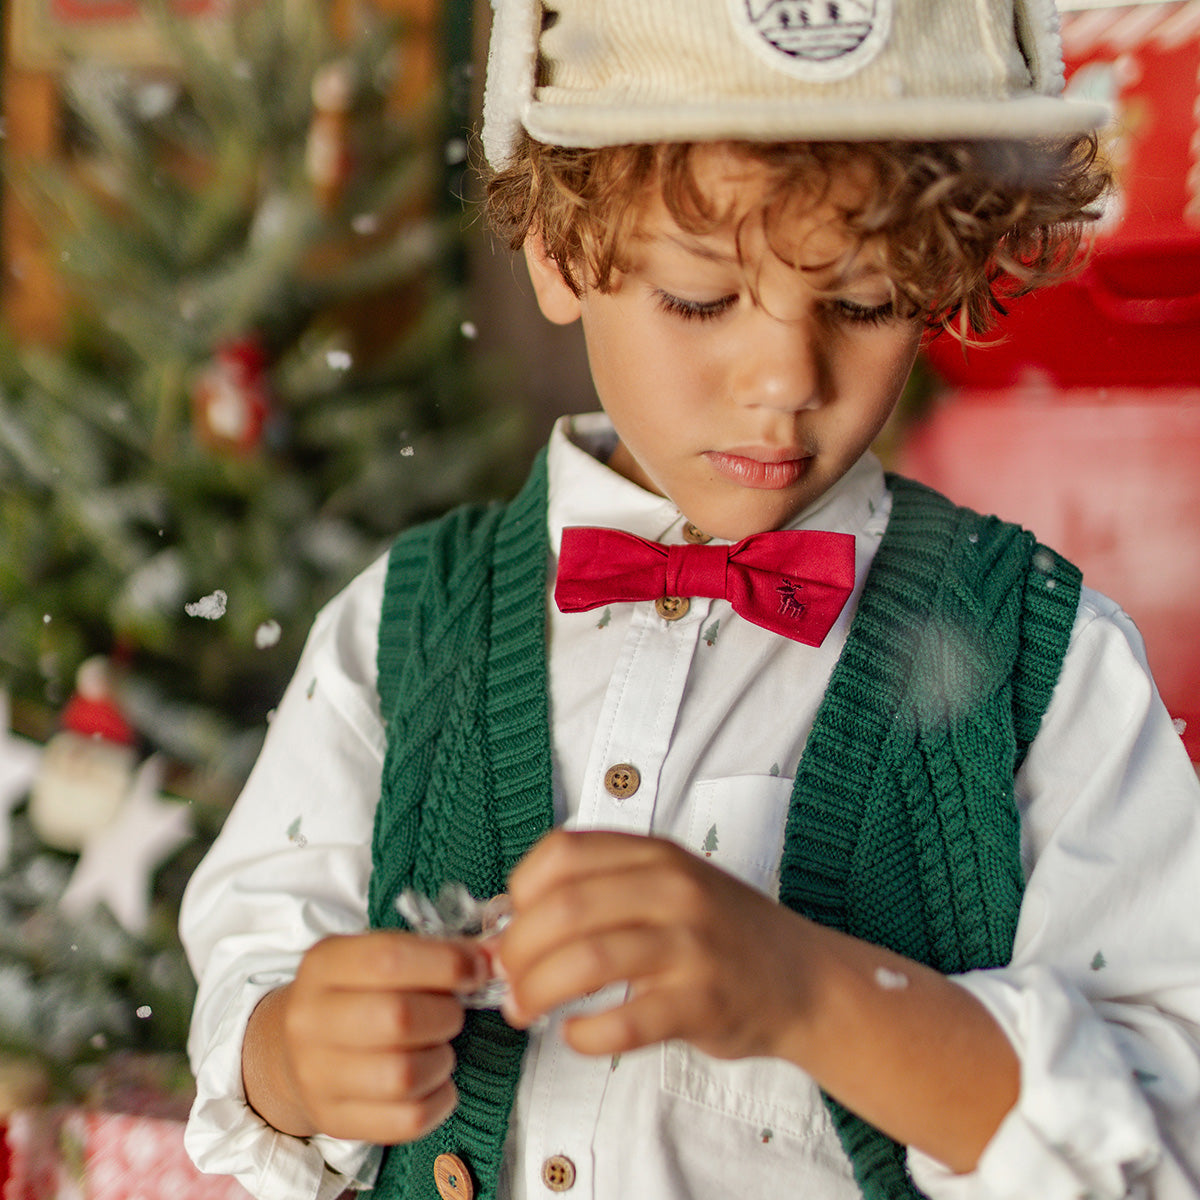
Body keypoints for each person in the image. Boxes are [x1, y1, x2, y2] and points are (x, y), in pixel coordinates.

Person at [180, 2, 1200, 1198]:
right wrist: (296, 1059)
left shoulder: (1045, 656)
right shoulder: (396, 627)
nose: (784, 381)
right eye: (703, 299)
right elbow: (254, 964)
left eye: (865, 303)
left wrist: (810, 992)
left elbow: (1162, 1127)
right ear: (562, 252)